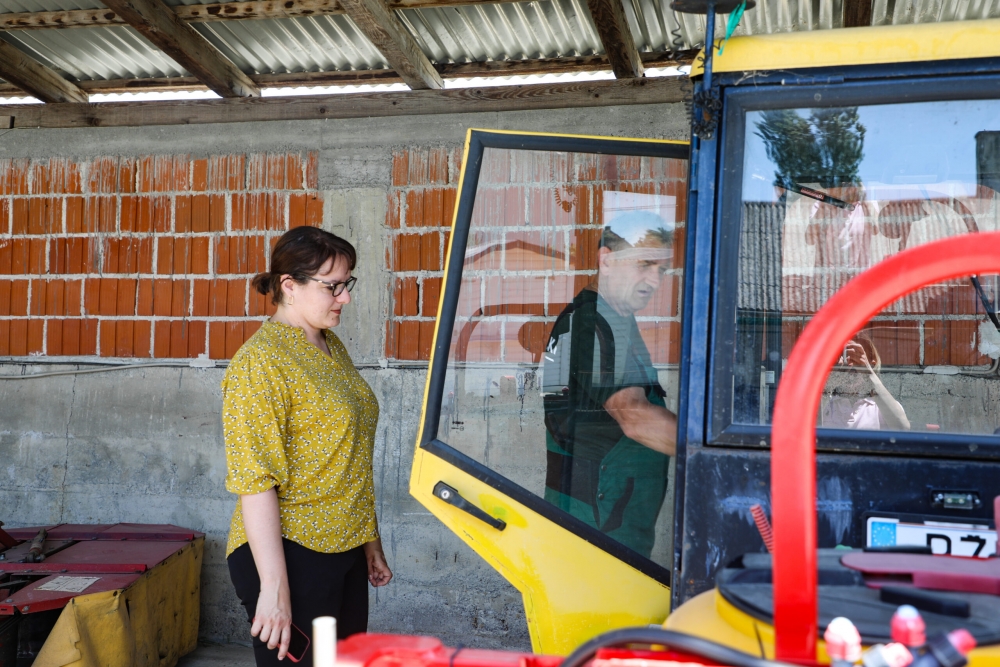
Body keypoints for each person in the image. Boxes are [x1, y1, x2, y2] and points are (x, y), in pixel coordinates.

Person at [223, 226, 392, 667]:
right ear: (289, 285)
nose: (345, 297)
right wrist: (274, 589)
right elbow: (255, 481)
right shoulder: (260, 363)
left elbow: (347, 454)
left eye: (347, 284)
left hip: (344, 546)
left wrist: (369, 541)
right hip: (291, 552)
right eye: (332, 286)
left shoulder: (327, 343)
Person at [541, 211, 678, 558]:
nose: (655, 280)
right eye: (644, 264)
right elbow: (634, 417)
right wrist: (716, 454)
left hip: (605, 517)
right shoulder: (593, 323)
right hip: (596, 527)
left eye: (662, 270)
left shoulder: (611, 318)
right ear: (607, 259)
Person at [821, 330, 910, 431]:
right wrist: (831, 382)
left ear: (872, 363)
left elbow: (902, 427)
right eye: (844, 355)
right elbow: (808, 422)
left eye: (858, 356)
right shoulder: (827, 401)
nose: (850, 364)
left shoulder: (879, 404)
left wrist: (868, 374)